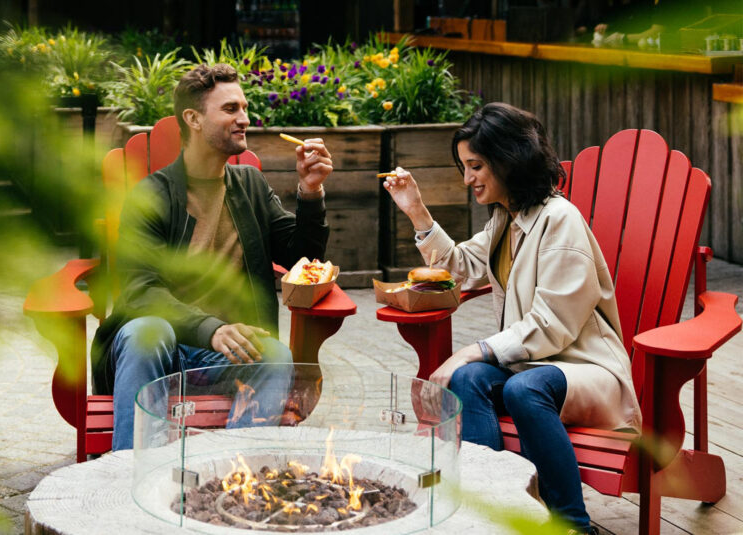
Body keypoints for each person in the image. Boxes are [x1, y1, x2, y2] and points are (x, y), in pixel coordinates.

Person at [383, 102, 641, 534]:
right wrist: (416, 210)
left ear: (508, 159)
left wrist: (472, 350)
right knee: (469, 381)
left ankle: (574, 524)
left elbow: (552, 325)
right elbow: (460, 267)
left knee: (521, 387)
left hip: (585, 369)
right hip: (537, 366)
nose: (467, 179)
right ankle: (486, 511)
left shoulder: (560, 221)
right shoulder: (509, 218)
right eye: (464, 167)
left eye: (476, 166)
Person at [91, 63, 334, 450]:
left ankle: (234, 473)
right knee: (144, 332)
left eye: (244, 108)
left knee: (275, 354)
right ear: (193, 119)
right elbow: (139, 291)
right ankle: (129, 472)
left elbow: (300, 259)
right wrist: (212, 329)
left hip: (228, 356)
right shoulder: (150, 196)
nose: (245, 119)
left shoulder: (250, 186)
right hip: (163, 353)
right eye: (230, 109)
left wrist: (310, 192)